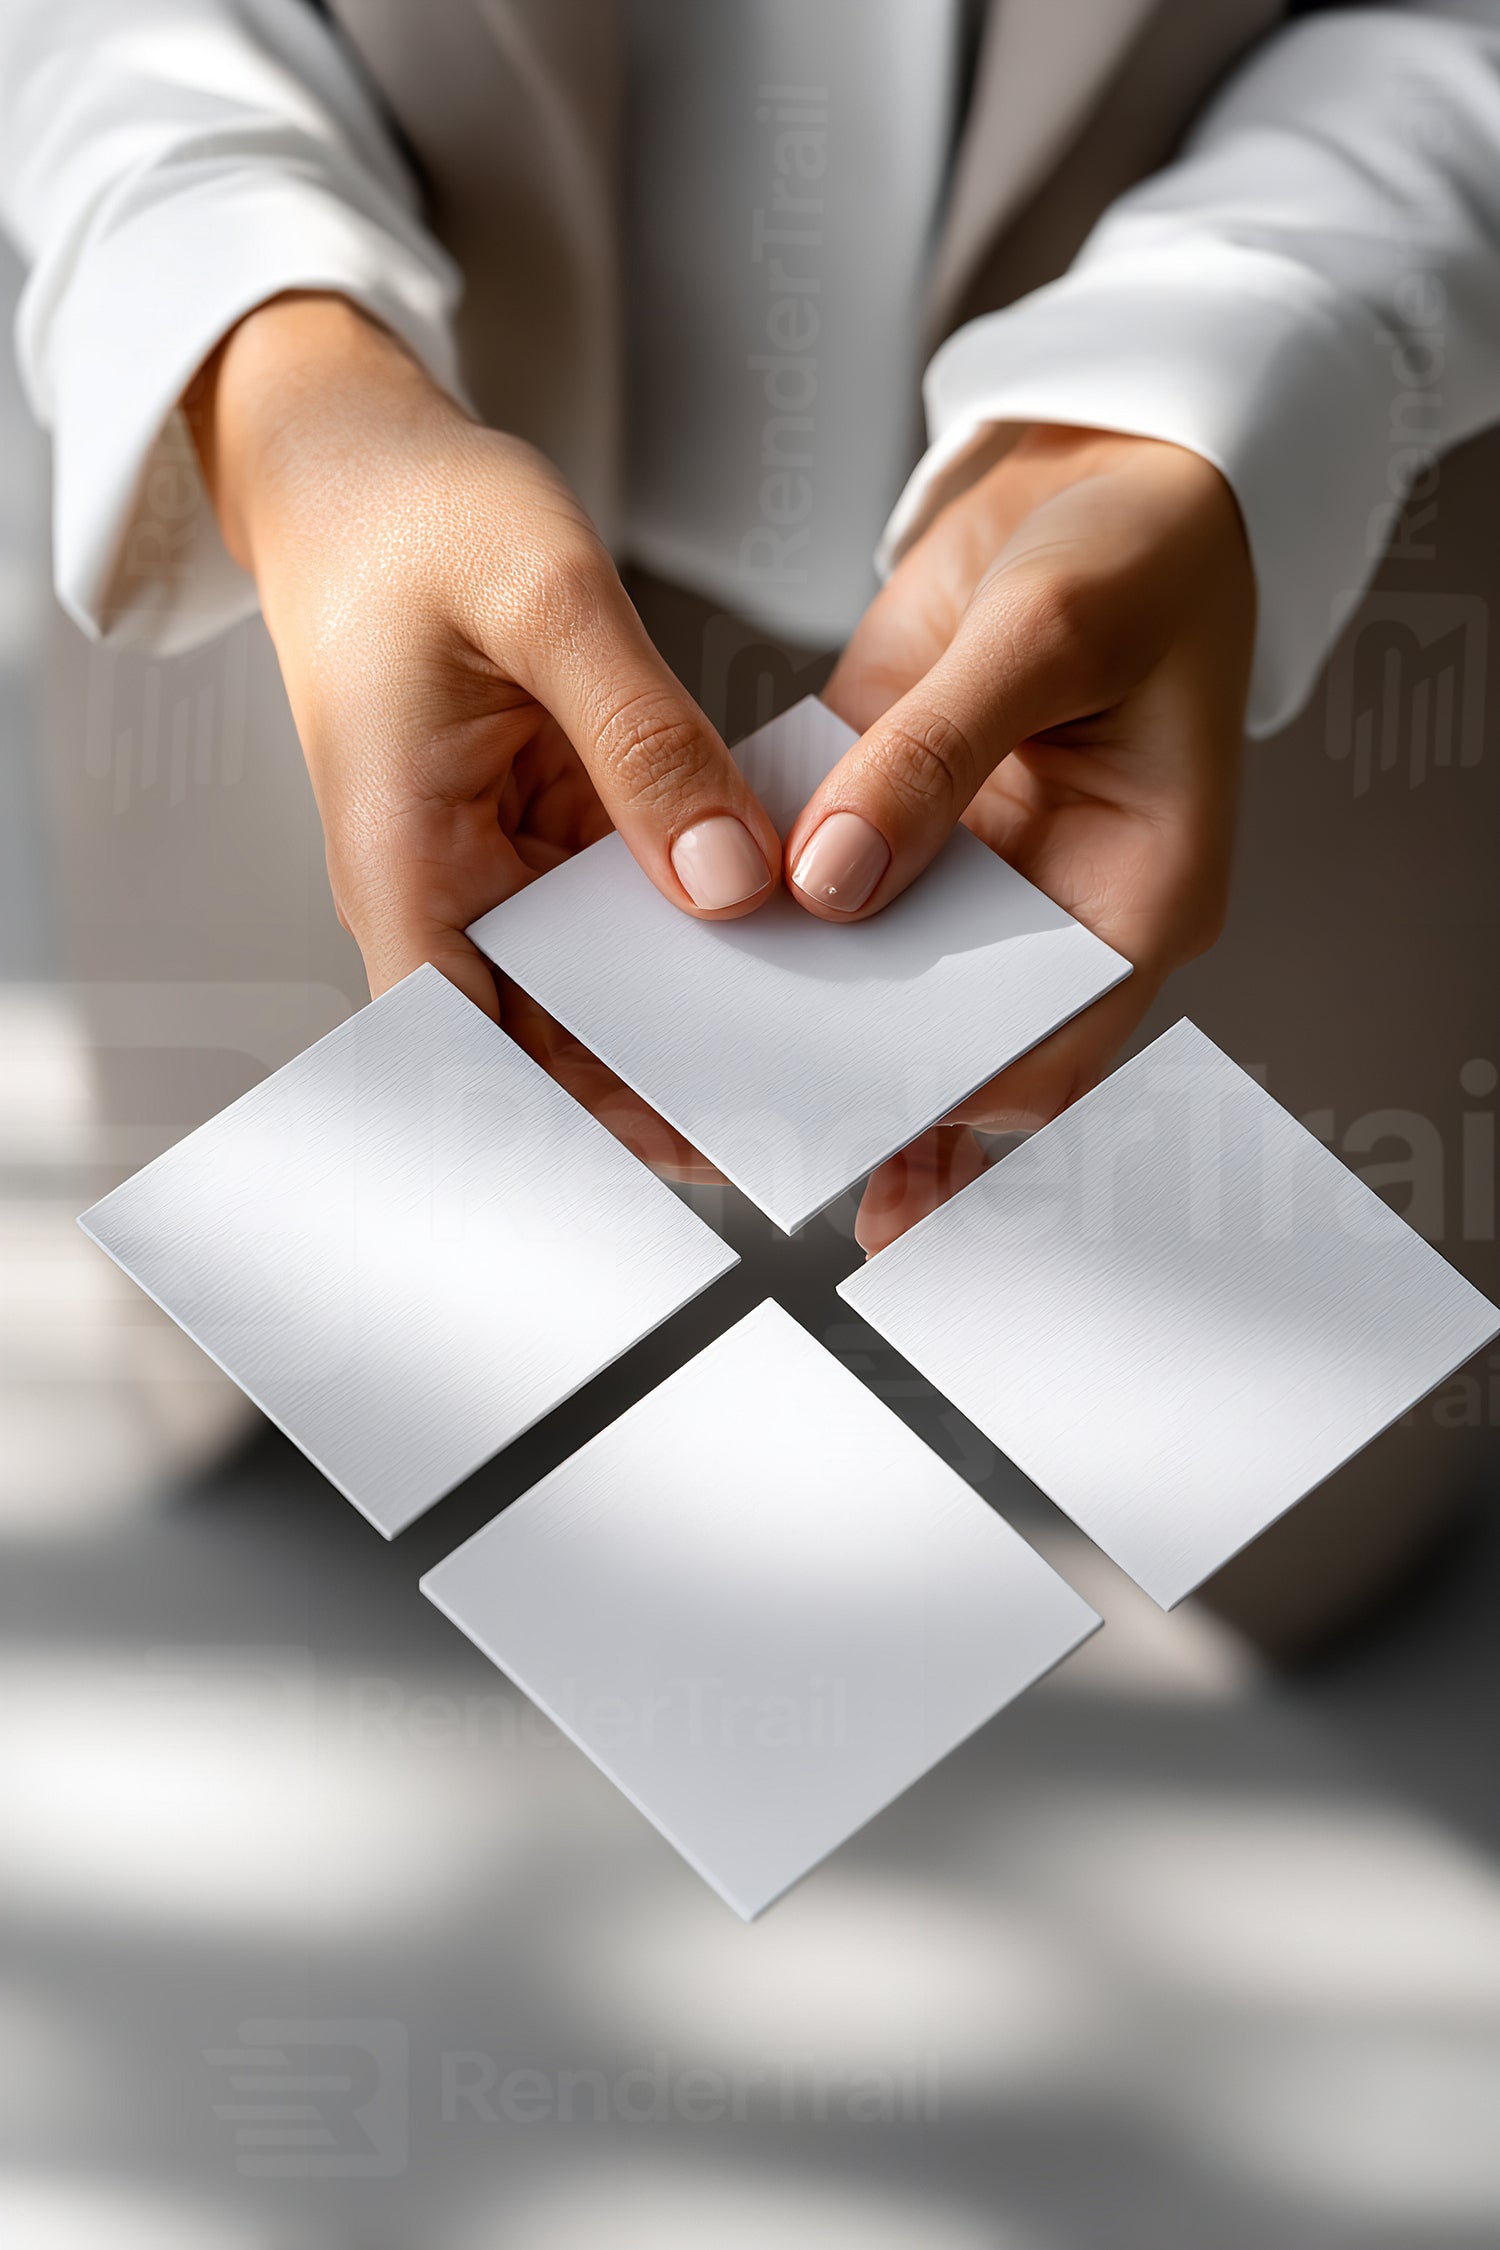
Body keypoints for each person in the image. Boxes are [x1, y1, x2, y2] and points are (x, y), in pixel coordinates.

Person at [2, 0, 1497, 1644]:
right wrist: (282, 373)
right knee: (332, 1416)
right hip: (341, 638)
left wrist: (1249, 355)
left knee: (1257, 1466)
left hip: (1244, 658)